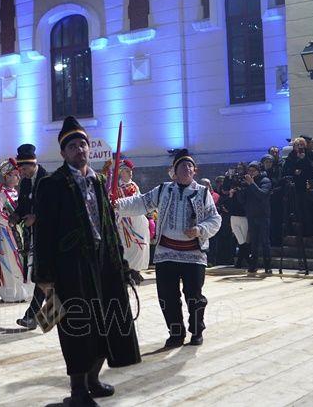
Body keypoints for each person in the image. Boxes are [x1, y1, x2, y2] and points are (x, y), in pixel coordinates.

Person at [34, 116, 140, 406]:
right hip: (72, 267)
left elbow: (109, 226)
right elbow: (43, 233)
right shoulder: (52, 184)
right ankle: (78, 390)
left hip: (104, 263)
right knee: (78, 327)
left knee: (108, 322)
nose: (79, 149)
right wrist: (44, 276)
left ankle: (93, 379)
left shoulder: (99, 181)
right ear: (63, 152)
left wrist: (122, 265)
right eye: (72, 146)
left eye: (82, 144)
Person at [116, 148, 221, 349]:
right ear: (174, 171)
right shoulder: (164, 190)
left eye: (190, 166)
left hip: (193, 254)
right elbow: (141, 202)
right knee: (167, 296)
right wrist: (117, 204)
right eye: (182, 166)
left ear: (195, 170)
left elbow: (215, 219)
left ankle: (197, 330)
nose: (187, 169)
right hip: (166, 253)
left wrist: (200, 229)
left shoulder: (202, 192)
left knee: (194, 296)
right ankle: (176, 333)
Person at [11, 143, 49, 330]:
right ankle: (39, 317)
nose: (22, 173)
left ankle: (33, 316)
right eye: (20, 169)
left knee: (45, 276)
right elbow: (23, 205)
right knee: (46, 277)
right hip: (36, 237)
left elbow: (55, 209)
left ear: (33, 164)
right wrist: (16, 215)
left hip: (51, 237)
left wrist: (36, 217)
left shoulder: (48, 180)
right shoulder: (25, 183)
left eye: (24, 169)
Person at [0, 159, 32, 303]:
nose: (18, 177)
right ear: (7, 176)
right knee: (9, 262)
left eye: (18, 174)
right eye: (15, 174)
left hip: (15, 231)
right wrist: (11, 222)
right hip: (5, 234)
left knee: (19, 261)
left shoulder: (14, 192)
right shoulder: (1, 193)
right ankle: (11, 294)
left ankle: (21, 291)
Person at [110, 157, 151, 273]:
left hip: (137, 220)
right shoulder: (116, 188)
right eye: (127, 171)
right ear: (121, 172)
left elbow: (140, 201)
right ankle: (127, 269)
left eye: (130, 171)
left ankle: (136, 270)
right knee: (126, 246)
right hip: (124, 222)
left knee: (140, 245)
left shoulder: (134, 186)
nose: (130, 173)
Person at [236, 161, 272, 274]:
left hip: (263, 215)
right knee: (254, 242)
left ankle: (267, 266)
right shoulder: (247, 183)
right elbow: (242, 200)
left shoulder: (265, 181)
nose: (250, 173)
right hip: (251, 215)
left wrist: (252, 184)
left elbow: (262, 195)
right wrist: (240, 190)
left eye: (253, 171)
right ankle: (253, 265)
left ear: (258, 171)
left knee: (265, 241)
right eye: (249, 171)